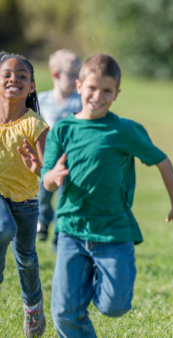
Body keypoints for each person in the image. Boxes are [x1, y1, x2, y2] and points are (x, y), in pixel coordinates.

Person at [42, 54, 173, 338]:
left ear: (117, 94)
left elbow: (162, 161)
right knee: (64, 313)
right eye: (92, 88)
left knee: (115, 306)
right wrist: (53, 176)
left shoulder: (124, 130)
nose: (98, 96)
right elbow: (46, 180)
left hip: (114, 232)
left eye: (107, 91)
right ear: (79, 86)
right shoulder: (62, 130)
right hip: (72, 230)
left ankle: (90, 282)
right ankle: (77, 291)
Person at [0, 51, 49, 337]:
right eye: (6, 75)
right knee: (2, 228)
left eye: (21, 76)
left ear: (31, 86)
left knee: (27, 257)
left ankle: (33, 307)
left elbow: (49, 171)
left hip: (27, 202)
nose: (13, 80)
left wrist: (38, 166)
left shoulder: (35, 124)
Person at [36, 49, 83, 246]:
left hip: (71, 161)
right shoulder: (42, 100)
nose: (76, 80)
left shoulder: (80, 101)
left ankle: (60, 233)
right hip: (46, 159)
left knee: (65, 197)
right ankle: (43, 220)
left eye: (78, 75)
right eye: (72, 75)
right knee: (43, 195)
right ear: (56, 75)